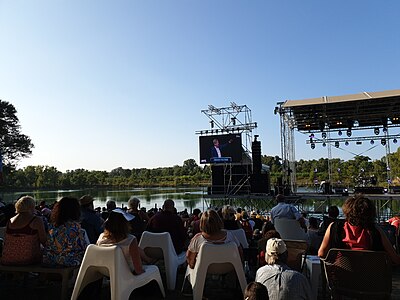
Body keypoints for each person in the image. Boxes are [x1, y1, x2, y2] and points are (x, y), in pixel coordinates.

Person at [318, 195, 400, 264]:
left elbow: (321, 254)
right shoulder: (375, 231)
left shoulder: (334, 227)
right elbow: (395, 259)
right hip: (371, 280)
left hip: (341, 279)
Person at [97, 208, 154, 275]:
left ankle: (148, 259)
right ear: (125, 224)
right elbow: (138, 270)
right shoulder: (130, 240)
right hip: (127, 274)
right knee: (153, 269)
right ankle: (149, 260)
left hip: (108, 274)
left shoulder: (101, 238)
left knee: (135, 249)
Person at [43, 197, 88, 266]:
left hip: (50, 259)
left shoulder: (51, 227)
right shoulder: (77, 229)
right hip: (68, 260)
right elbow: (85, 248)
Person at [1, 196, 47, 265]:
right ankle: (42, 275)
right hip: (27, 258)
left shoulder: (10, 221)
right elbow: (44, 241)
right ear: (31, 207)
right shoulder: (36, 220)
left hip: (8, 258)